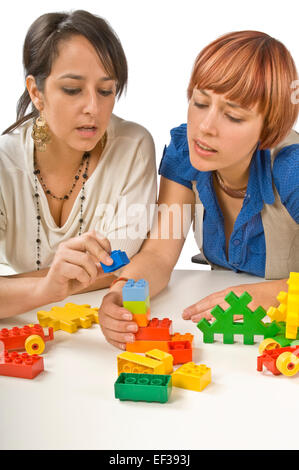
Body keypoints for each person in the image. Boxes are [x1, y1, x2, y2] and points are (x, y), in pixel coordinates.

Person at [98, 30, 299, 350]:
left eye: (233, 115)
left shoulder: (292, 169)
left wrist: (269, 294)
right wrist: (122, 292)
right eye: (200, 102)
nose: (205, 126)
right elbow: (158, 255)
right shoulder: (185, 153)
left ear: (271, 127)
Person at [0, 10, 156, 318]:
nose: (93, 108)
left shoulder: (133, 148)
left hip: (94, 326)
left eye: (106, 90)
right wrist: (46, 288)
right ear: (36, 92)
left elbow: (117, 269)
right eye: (72, 89)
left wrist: (9, 289)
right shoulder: (5, 164)